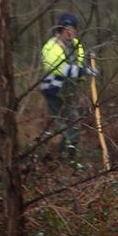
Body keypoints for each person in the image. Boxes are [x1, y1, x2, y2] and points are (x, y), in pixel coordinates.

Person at [39, 12, 91, 165]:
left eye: (73, 29)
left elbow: (80, 62)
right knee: (66, 124)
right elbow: (59, 69)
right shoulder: (50, 47)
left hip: (70, 92)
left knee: (70, 124)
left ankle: (64, 157)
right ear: (60, 30)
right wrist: (83, 71)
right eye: (67, 29)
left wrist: (85, 69)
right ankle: (61, 158)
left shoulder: (76, 45)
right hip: (53, 92)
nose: (70, 32)